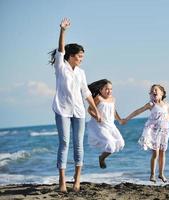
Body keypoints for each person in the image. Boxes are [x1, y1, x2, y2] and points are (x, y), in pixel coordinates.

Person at [49, 18, 101, 192]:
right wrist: (63, 31)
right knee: (64, 142)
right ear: (71, 56)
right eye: (79, 56)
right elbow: (61, 49)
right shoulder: (60, 66)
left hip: (78, 111)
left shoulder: (81, 72)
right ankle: (62, 182)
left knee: (78, 144)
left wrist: (95, 110)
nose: (81, 59)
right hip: (62, 109)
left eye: (82, 57)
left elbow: (86, 92)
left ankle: (77, 180)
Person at [124, 84, 169, 183]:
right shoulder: (151, 104)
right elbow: (138, 111)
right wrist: (127, 118)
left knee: (163, 153)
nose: (154, 91)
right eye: (152, 91)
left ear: (162, 93)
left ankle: (161, 174)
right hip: (155, 132)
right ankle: (152, 174)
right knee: (155, 153)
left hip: (165, 132)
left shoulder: (167, 104)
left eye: (156, 90)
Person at [87, 79, 125, 169]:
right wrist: (97, 117)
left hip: (110, 125)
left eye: (111, 89)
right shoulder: (98, 98)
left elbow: (113, 111)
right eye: (107, 89)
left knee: (121, 143)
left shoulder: (113, 99)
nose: (109, 91)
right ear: (101, 90)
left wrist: (119, 120)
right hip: (99, 125)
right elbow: (89, 110)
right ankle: (102, 158)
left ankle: (102, 156)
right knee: (110, 145)